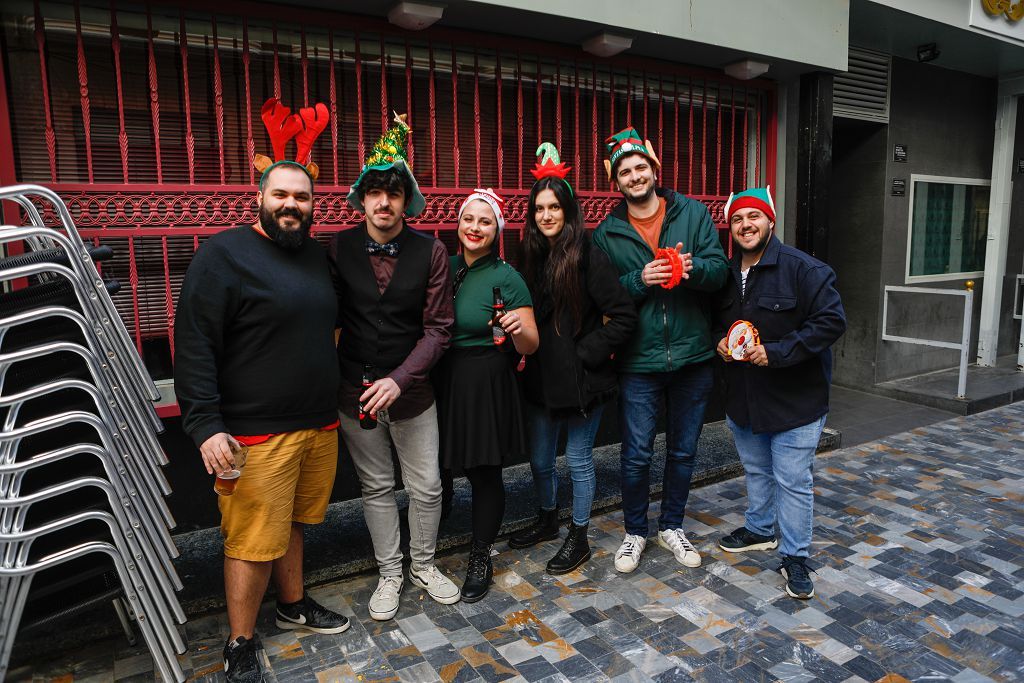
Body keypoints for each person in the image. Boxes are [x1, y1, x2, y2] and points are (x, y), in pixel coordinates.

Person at [175, 98, 347, 683]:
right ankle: (240, 643)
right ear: (260, 197)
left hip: (319, 423)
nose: (292, 205)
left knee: (294, 523)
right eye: (282, 196)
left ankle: (293, 606)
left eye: (302, 198)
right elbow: (194, 343)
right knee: (250, 540)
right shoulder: (223, 255)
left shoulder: (316, 258)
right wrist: (203, 424)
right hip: (252, 431)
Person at [329, 114, 460, 621]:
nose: (384, 202)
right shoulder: (337, 248)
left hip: (413, 392)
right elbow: (329, 316)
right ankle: (390, 571)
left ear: (408, 200)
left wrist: (399, 378)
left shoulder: (431, 251)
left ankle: (423, 564)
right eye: (375, 192)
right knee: (376, 487)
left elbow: (439, 329)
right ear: (361, 198)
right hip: (352, 392)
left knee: (426, 486)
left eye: (395, 192)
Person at [593, 127, 729, 574]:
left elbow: (720, 270)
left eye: (639, 167)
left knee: (684, 451)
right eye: (624, 171)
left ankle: (672, 526)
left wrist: (690, 270)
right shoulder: (607, 233)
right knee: (636, 454)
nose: (634, 176)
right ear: (616, 182)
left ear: (653, 169)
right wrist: (639, 281)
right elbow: (602, 294)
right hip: (639, 361)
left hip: (692, 357)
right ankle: (635, 532)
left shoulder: (691, 213)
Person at [510, 143, 637, 574]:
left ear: (568, 210)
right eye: (539, 208)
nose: (546, 216)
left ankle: (578, 536)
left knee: (579, 460)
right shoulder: (527, 255)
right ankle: (548, 517)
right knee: (541, 459)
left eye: (554, 207)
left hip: (584, 381)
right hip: (541, 379)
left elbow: (622, 315)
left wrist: (585, 353)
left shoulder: (587, 254)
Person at [714, 187, 846, 600]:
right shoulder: (726, 274)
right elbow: (716, 322)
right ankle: (759, 528)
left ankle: (795, 555)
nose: (745, 225)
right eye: (737, 219)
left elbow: (830, 322)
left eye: (754, 216)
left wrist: (777, 353)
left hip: (796, 401)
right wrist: (718, 341)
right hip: (745, 398)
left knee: (792, 481)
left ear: (771, 221)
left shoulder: (804, 269)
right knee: (756, 470)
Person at [436, 188, 539, 601]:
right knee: (434, 470)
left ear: (497, 229)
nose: (474, 227)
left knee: (483, 472)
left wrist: (519, 329)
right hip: (441, 376)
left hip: (483, 381)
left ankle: (481, 555)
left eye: (484, 221)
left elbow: (531, 344)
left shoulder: (507, 278)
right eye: (468, 219)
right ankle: (423, 553)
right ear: (457, 225)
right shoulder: (442, 266)